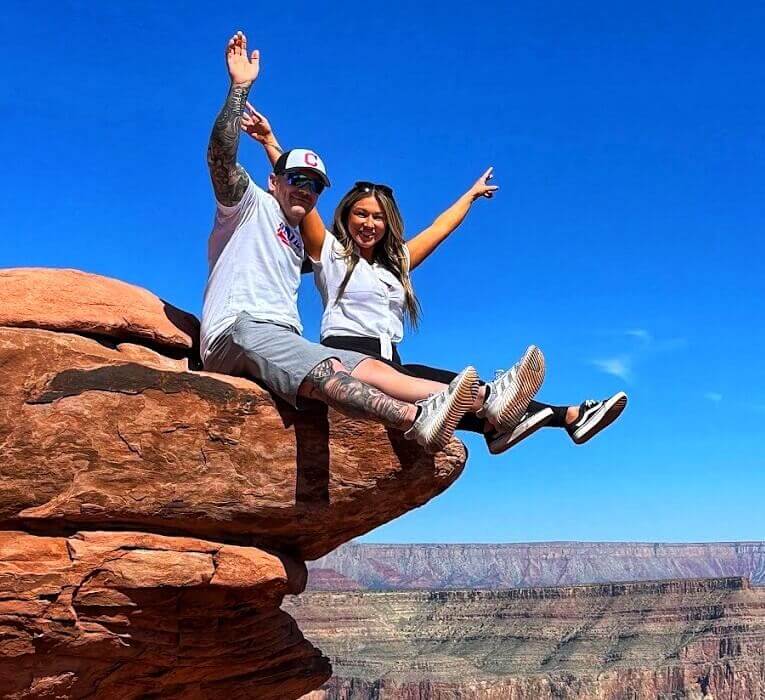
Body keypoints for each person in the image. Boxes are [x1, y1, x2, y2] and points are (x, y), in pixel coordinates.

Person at [200, 31, 546, 454]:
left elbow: (436, 229)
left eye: (313, 185)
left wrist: (470, 197)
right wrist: (243, 95)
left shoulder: (318, 244)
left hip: (305, 340)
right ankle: (419, 420)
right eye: (295, 181)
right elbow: (222, 158)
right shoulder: (262, 209)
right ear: (275, 182)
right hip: (243, 328)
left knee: (389, 376)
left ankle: (493, 403)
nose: (304, 190)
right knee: (335, 366)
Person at [240, 103, 627, 454]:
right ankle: (546, 417)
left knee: (455, 388)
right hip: (349, 356)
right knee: (469, 392)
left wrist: (471, 196)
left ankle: (552, 419)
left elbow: (439, 228)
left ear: (387, 222)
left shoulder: (397, 264)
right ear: (346, 216)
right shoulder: (331, 253)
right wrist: (271, 143)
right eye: (360, 214)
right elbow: (297, 190)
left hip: (393, 362)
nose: (368, 223)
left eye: (376, 217)